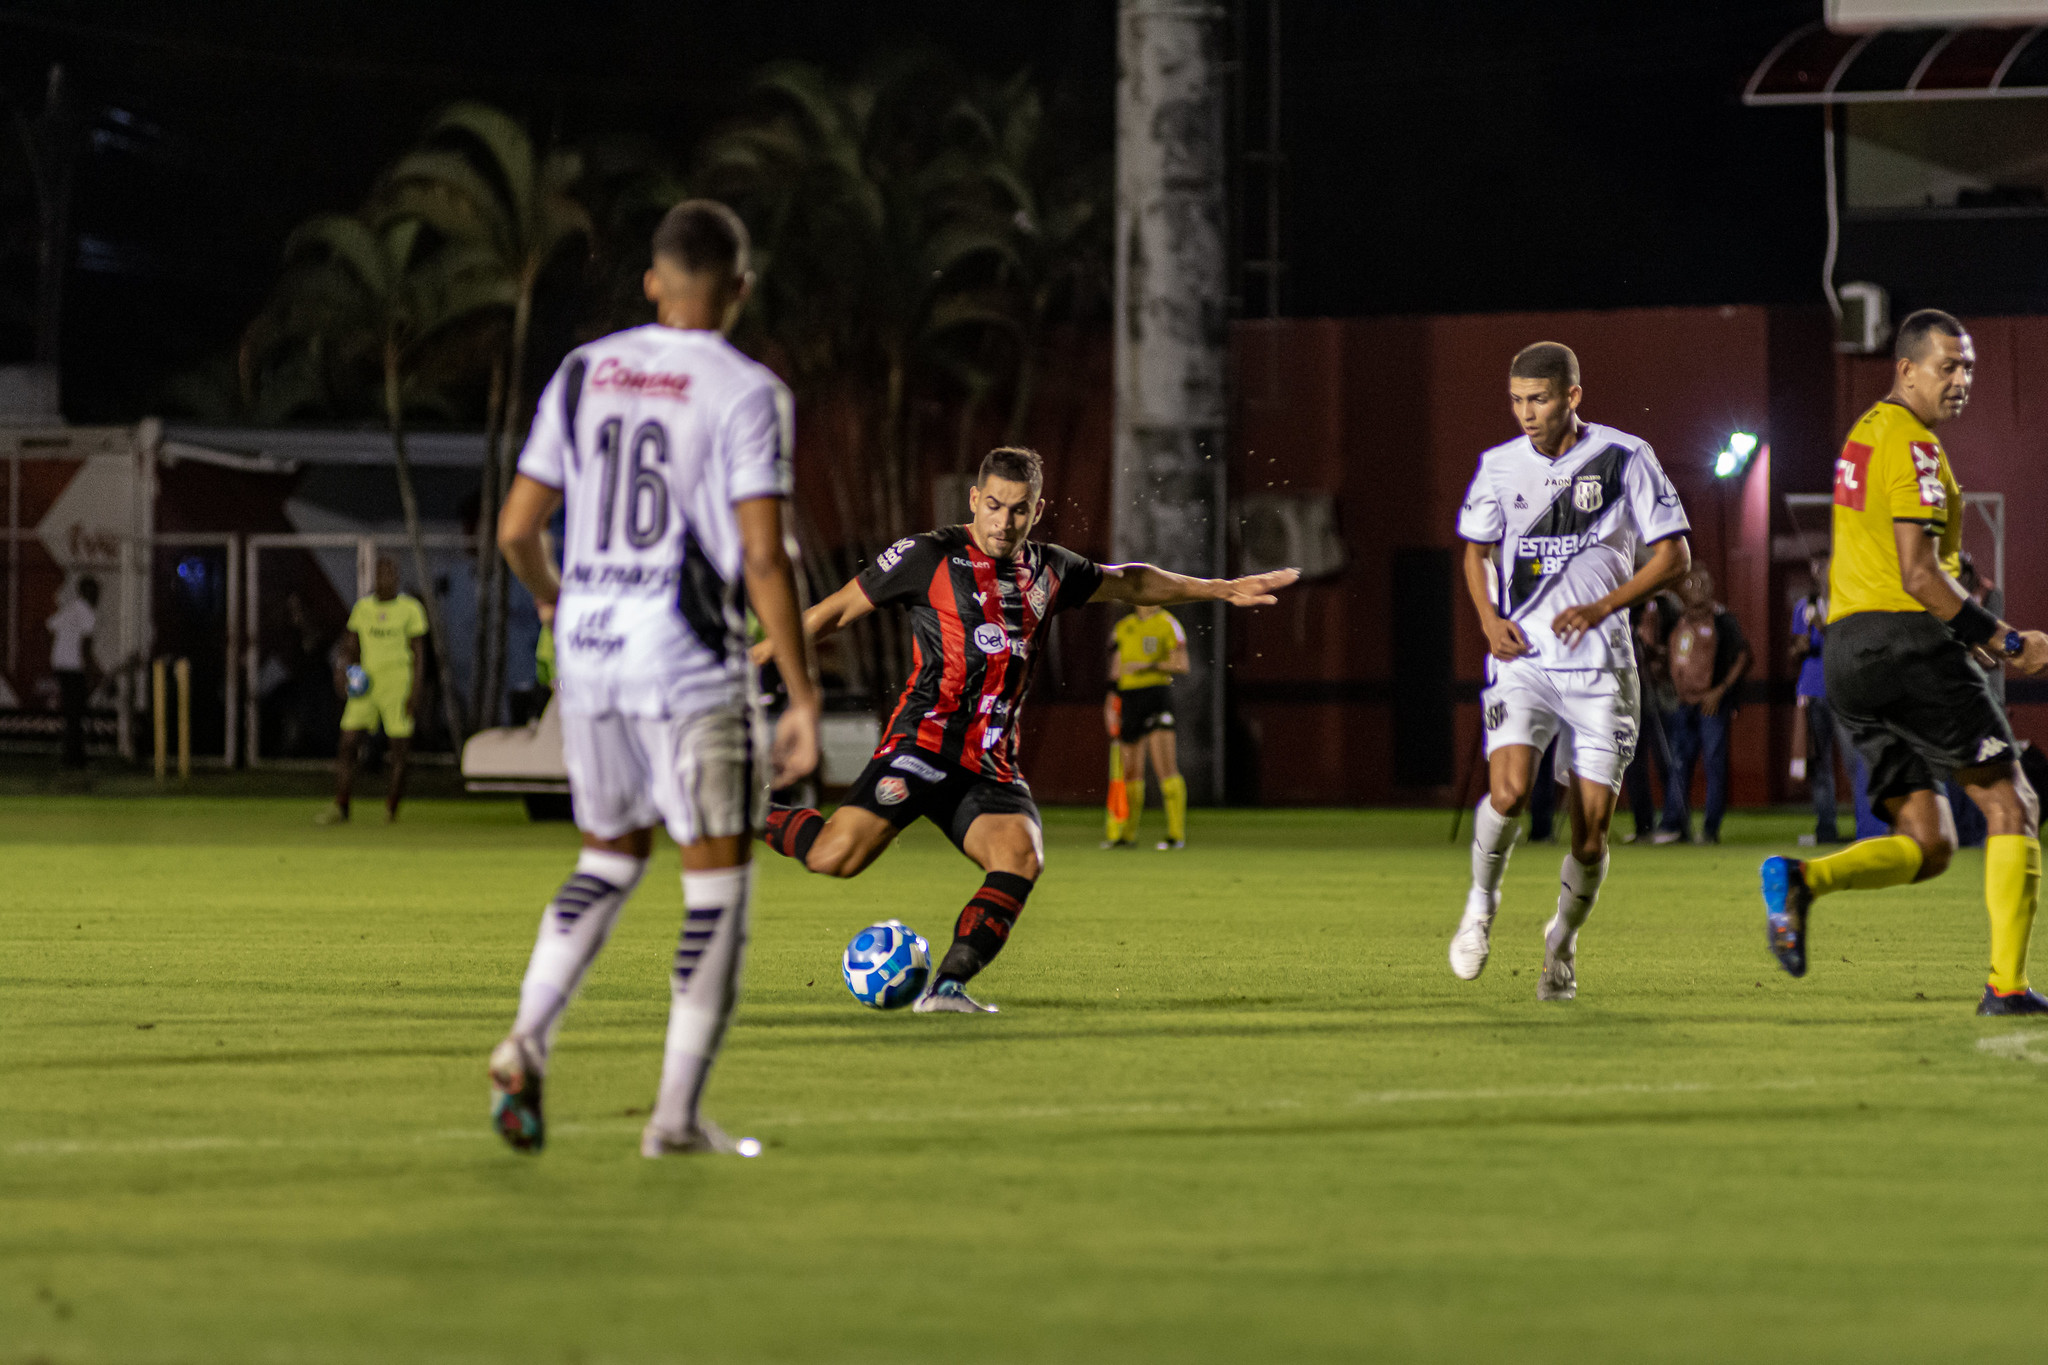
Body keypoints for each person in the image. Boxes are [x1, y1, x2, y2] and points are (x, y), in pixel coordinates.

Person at [488, 199, 821, 1156]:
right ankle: (674, 1118)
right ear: (740, 289)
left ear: (652, 283)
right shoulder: (747, 390)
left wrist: (555, 600)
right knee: (716, 888)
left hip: (590, 652)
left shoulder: (583, 371)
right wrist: (802, 695)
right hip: (686, 661)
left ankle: (526, 1035)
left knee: (607, 858)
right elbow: (763, 555)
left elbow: (517, 529)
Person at [757, 444, 1297, 1014]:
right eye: (994, 505)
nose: (1004, 521)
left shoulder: (1051, 569)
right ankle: (742, 810)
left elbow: (1131, 583)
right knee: (834, 857)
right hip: (923, 745)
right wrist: (750, 662)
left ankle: (946, 990)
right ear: (974, 499)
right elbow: (833, 612)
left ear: (1036, 511)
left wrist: (1219, 588)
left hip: (989, 762)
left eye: (1019, 509)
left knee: (1020, 856)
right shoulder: (928, 555)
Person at [1762, 308, 2048, 1015]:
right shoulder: (1914, 445)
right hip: (1905, 645)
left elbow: (1891, 567)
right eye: (1948, 366)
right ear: (1906, 369)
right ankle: (2007, 987)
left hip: (1849, 656)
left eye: (1969, 367)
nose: (1962, 380)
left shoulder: (1865, 434)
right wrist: (2007, 641)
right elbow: (1918, 574)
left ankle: (1802, 881)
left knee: (1929, 840)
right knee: (2012, 802)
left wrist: (1969, 635)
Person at [1452, 341, 1692, 1001]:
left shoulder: (1625, 457)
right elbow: (1475, 553)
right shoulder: (1498, 466)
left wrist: (1603, 606)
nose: (1526, 413)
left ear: (1572, 396)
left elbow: (1675, 558)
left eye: (1539, 399)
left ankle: (1560, 945)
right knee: (1508, 792)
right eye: (1517, 401)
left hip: (1601, 669)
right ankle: (1480, 904)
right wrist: (1487, 619)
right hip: (1522, 660)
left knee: (1590, 837)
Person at [317, 557, 426, 824]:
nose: (385, 579)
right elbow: (349, 645)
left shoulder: (410, 609)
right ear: (374, 578)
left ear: (397, 578)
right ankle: (341, 805)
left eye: (390, 574)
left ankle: (392, 807)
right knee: (348, 742)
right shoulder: (363, 608)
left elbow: (419, 654)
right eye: (380, 574)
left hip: (397, 684)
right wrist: (341, 670)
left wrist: (415, 691)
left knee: (398, 747)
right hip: (364, 684)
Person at [1651, 568, 1750, 845]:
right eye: (1692, 583)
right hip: (1683, 704)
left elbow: (1743, 656)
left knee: (1713, 765)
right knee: (1679, 764)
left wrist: (1720, 691)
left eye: (1703, 583)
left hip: (1710, 705)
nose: (1698, 588)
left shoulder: (1722, 619)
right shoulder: (1677, 620)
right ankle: (1673, 825)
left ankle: (1710, 828)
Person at [1102, 603, 1189, 849]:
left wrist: (1148, 666)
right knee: (1130, 771)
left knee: (1165, 767)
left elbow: (1182, 665)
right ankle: (1126, 836)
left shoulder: (1168, 624)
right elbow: (1116, 668)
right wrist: (1110, 703)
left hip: (1156, 697)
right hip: (1129, 700)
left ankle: (1175, 835)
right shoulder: (1123, 627)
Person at [47, 576, 98, 769]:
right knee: (77, 713)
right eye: (94, 591)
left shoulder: (70, 609)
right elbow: (86, 647)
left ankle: (72, 755)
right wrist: (92, 672)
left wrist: (57, 650)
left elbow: (50, 626)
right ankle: (75, 758)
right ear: (87, 592)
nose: (97, 596)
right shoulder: (88, 613)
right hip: (74, 667)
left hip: (61, 664)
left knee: (71, 712)